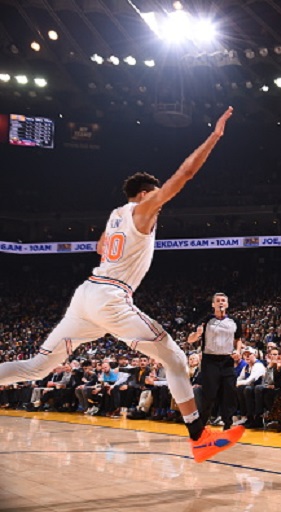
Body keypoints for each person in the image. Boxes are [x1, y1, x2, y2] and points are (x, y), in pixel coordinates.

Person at [0, 108, 243, 463]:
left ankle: (199, 434)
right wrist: (215, 136)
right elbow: (186, 174)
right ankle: (199, 436)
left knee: (37, 366)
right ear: (145, 194)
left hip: (86, 297)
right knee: (174, 357)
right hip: (110, 297)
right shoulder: (142, 211)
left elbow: (101, 245)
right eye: (156, 195)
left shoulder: (116, 214)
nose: (161, 201)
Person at [187, 292, 243, 431]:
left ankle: (228, 424)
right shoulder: (206, 320)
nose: (221, 302)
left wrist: (238, 351)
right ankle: (202, 423)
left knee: (229, 392)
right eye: (218, 300)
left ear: (227, 304)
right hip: (210, 360)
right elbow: (190, 339)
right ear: (213, 304)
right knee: (209, 394)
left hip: (227, 360)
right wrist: (197, 334)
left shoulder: (234, 321)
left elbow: (238, 340)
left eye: (223, 300)